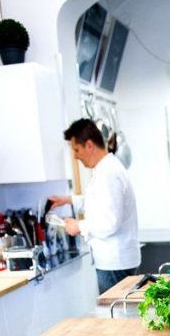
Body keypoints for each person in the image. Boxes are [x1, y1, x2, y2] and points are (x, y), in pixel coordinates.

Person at [48, 118, 140, 294]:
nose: (75, 156)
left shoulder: (108, 174)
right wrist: (69, 200)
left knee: (115, 318)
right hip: (116, 260)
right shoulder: (106, 169)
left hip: (114, 263)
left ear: (89, 145)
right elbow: (101, 202)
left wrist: (78, 226)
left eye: (76, 149)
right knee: (117, 316)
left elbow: (110, 223)